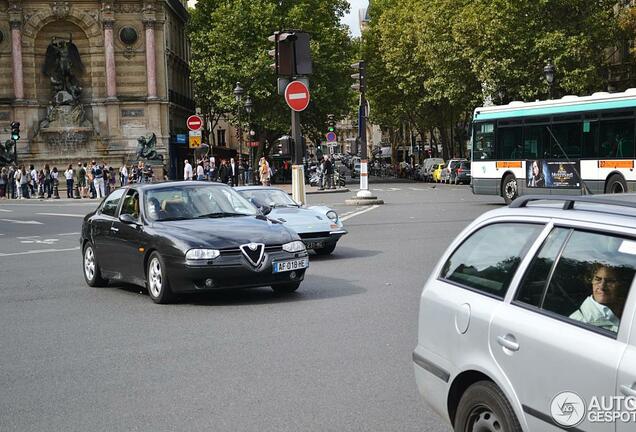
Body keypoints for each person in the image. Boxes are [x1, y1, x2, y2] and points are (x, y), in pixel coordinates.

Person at [569, 264, 630, 333]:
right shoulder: (577, 321)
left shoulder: (629, 309)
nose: (602, 287)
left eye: (610, 281)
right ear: (591, 281)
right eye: (598, 279)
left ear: (622, 285)